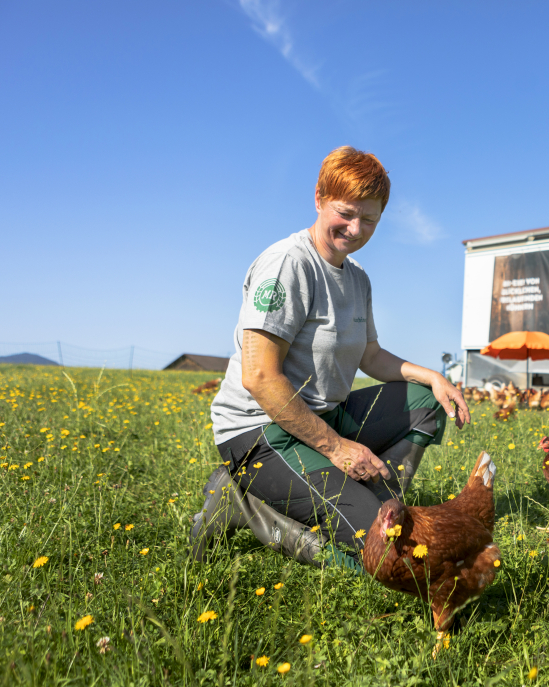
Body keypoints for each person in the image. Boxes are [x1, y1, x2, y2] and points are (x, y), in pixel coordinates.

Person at [189, 146, 470, 570]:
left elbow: (370, 355)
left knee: (425, 405)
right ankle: (245, 506)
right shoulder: (288, 265)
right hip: (263, 432)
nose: (356, 229)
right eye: (346, 213)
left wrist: (431, 375)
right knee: (384, 556)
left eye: (370, 219)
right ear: (319, 198)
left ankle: (381, 497)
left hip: (325, 414)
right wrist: (338, 449)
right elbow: (260, 376)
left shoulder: (357, 278)